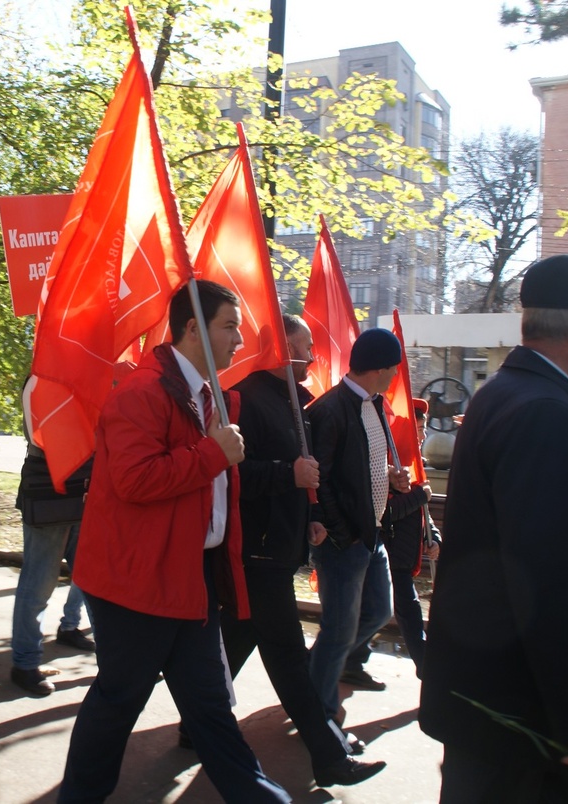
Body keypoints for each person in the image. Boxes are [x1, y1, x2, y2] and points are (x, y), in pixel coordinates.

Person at [59, 280, 289, 803]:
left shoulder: (206, 396)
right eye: (229, 326)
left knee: (208, 706)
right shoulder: (141, 392)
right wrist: (212, 453)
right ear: (193, 330)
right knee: (119, 700)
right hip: (136, 582)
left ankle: (262, 797)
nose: (239, 338)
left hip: (187, 578)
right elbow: (136, 481)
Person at [420, 255, 568, 803]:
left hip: (504, 706)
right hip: (527, 719)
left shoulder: (510, 391)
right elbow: (553, 580)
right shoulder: (546, 411)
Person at [218, 313, 386, 788]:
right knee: (291, 658)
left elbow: (309, 473)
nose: (312, 357)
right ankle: (329, 754)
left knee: (239, 638)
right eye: (304, 348)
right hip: (258, 549)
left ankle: (199, 718)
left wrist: (312, 514)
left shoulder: (300, 402)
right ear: (280, 348)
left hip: (283, 546)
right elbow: (233, 474)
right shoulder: (244, 400)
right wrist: (285, 475)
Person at [306, 328, 409, 723]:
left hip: (371, 532)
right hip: (345, 540)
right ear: (380, 369)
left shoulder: (375, 403)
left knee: (378, 612)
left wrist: (389, 478)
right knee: (339, 628)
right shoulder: (329, 410)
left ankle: (315, 675)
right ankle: (320, 715)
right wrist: (340, 531)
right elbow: (322, 479)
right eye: (393, 369)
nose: (395, 376)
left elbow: (362, 466)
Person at [9, 379, 93, 698]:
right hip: (50, 494)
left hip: (83, 492)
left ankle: (79, 634)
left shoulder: (88, 378)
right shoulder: (41, 380)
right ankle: (25, 664)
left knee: (91, 578)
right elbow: (41, 436)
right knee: (38, 584)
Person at [380, 398, 440, 675]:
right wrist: (419, 494)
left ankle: (350, 661)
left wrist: (434, 537)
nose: (423, 435)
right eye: (417, 428)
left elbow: (423, 514)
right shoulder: (391, 466)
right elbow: (386, 511)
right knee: (408, 611)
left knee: (364, 615)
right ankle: (426, 666)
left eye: (424, 429)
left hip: (405, 553)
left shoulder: (418, 465)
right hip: (391, 551)